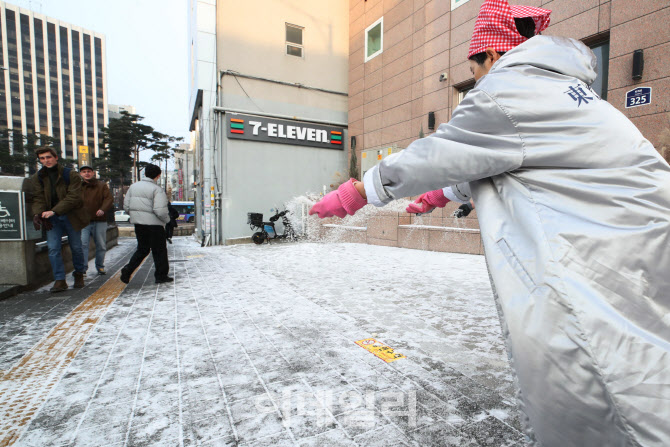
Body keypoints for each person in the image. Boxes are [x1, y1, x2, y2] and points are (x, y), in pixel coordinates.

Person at [309, 1, 670, 445]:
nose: (475, 80)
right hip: (642, 239)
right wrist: (442, 194)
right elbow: (510, 158)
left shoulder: (510, 90)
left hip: (603, 254)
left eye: (475, 67)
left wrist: (357, 193)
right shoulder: (558, 89)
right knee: (642, 353)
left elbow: (440, 153)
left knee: (605, 373)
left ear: (494, 55)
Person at [30, 147, 90, 292]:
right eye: (42, 158)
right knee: (53, 248)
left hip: (71, 215)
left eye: (48, 157)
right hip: (52, 218)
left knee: (76, 247)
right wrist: (38, 213)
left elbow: (73, 197)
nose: (46, 161)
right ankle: (59, 279)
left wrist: (54, 211)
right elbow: (38, 197)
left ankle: (79, 273)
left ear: (56, 157)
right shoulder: (37, 177)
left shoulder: (70, 174)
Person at [120, 164, 172, 284]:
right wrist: (167, 220)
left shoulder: (133, 187)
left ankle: (128, 270)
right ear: (158, 176)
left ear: (145, 173)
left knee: (142, 249)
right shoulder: (157, 189)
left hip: (139, 224)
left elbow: (126, 206)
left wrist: (136, 215)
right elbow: (160, 210)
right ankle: (161, 275)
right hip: (154, 225)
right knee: (159, 251)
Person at [79, 165, 113, 275]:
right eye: (84, 172)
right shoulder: (78, 186)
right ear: (81, 174)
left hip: (100, 220)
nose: (87, 173)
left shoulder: (101, 185)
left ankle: (100, 266)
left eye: (89, 171)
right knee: (83, 245)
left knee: (101, 245)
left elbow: (108, 198)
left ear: (93, 173)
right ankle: (83, 268)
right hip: (84, 221)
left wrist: (103, 209)